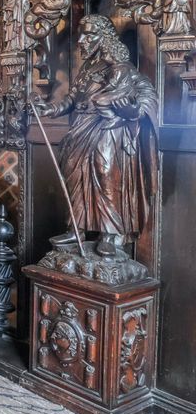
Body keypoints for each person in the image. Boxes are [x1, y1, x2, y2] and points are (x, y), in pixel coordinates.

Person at [34, 15, 158, 257]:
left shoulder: (123, 69)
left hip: (107, 131)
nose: (82, 40)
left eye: (89, 35)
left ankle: (110, 235)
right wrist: (50, 109)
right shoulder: (88, 68)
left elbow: (145, 97)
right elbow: (73, 98)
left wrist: (129, 110)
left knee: (105, 177)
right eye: (82, 34)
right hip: (80, 130)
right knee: (74, 175)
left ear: (104, 39)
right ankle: (76, 228)